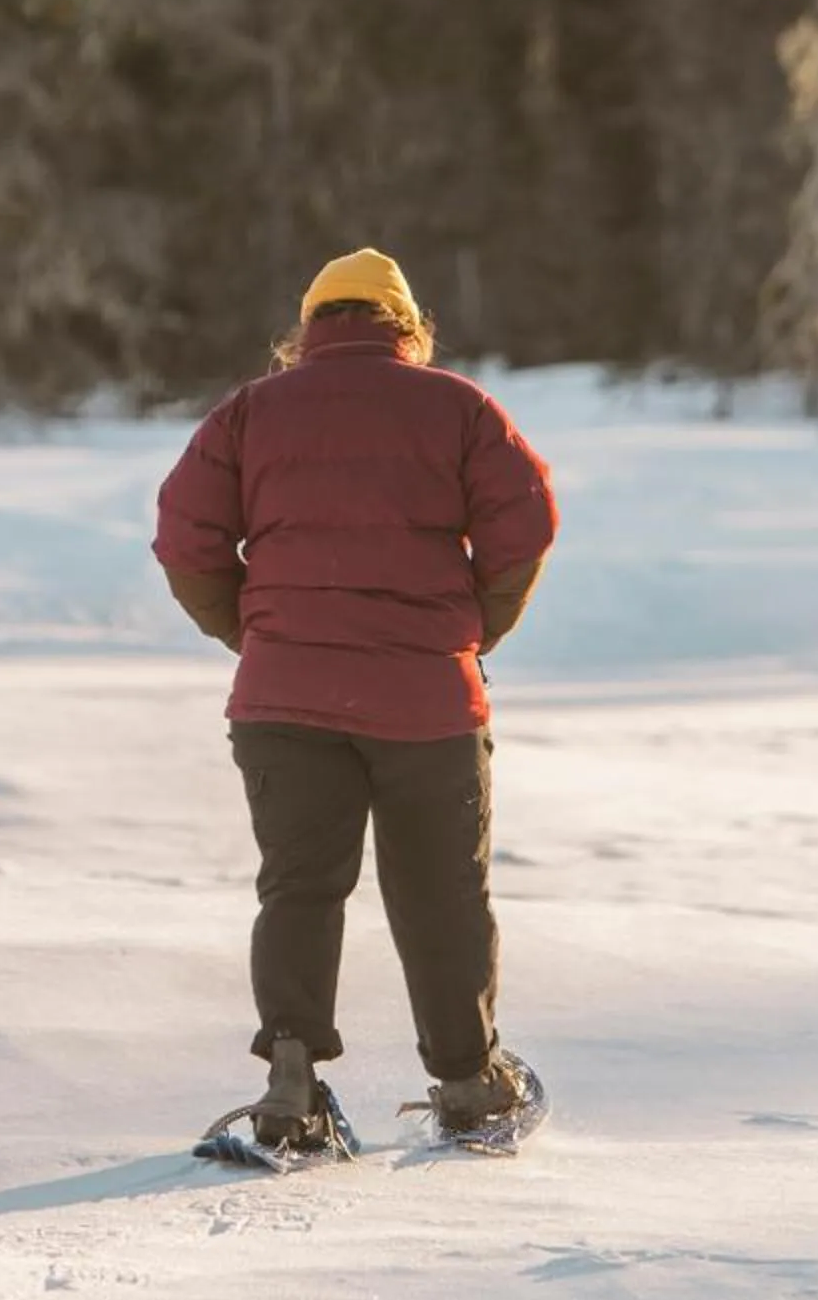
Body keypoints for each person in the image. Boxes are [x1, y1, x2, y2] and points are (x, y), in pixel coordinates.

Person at [153, 248, 559, 1151]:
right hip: (428, 704)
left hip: (284, 703)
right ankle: (468, 1084)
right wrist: (471, 628)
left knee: (298, 889)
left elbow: (184, 536)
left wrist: (254, 632)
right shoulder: (458, 408)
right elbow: (526, 520)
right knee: (442, 896)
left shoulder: (252, 412)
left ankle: (291, 1086)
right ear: (407, 329)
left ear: (309, 333)